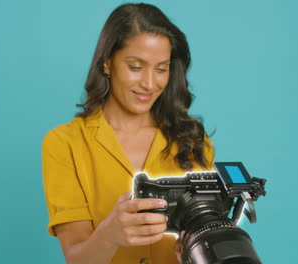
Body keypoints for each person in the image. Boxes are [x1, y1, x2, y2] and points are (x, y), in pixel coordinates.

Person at [42, 3, 214, 264]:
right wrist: (110, 234)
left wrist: (191, 254)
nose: (149, 83)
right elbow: (77, 258)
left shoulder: (193, 142)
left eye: (161, 68)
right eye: (136, 66)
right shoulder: (64, 144)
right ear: (107, 63)